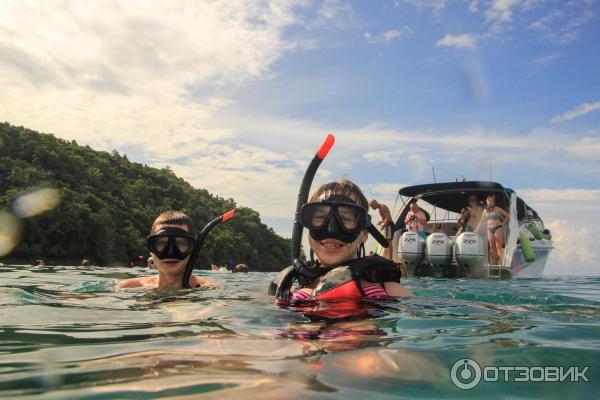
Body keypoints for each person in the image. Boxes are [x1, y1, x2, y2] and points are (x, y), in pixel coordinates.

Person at [285, 179, 413, 300]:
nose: (331, 230)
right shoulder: (287, 293)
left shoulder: (390, 292)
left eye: (346, 219)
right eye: (320, 217)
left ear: (364, 233)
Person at [118, 210, 217, 289]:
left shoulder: (209, 289)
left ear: (192, 249)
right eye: (161, 243)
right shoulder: (128, 287)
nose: (171, 252)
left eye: (180, 243)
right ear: (151, 248)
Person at [476, 194, 510, 265]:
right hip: (489, 229)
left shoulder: (498, 209)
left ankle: (502, 264)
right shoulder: (485, 211)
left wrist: (503, 223)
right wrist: (476, 230)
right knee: (492, 248)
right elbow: (481, 221)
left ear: (494, 202)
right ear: (486, 202)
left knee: (498, 247)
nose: (489, 203)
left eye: (491, 201)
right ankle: (495, 264)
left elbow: (508, 216)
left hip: (497, 228)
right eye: (488, 201)